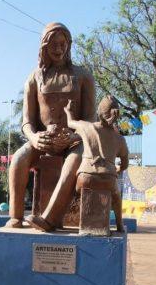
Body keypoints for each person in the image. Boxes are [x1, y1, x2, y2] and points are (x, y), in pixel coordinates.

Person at [6, 22, 96, 228]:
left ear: (69, 45)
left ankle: (50, 218)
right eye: (53, 44)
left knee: (74, 161)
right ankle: (16, 216)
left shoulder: (83, 76)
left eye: (62, 44)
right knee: (19, 158)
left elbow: (91, 118)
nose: (58, 49)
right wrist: (35, 138)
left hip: (75, 140)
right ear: (44, 46)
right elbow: (26, 122)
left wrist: (74, 137)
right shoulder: (33, 78)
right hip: (43, 140)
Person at [28, 96, 129, 232]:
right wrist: (117, 169)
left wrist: (68, 110)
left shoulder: (86, 126)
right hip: (108, 179)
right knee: (116, 197)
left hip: (85, 178)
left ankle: (56, 218)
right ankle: (120, 225)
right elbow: (125, 164)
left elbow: (70, 122)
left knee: (71, 191)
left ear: (98, 113)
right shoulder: (120, 139)